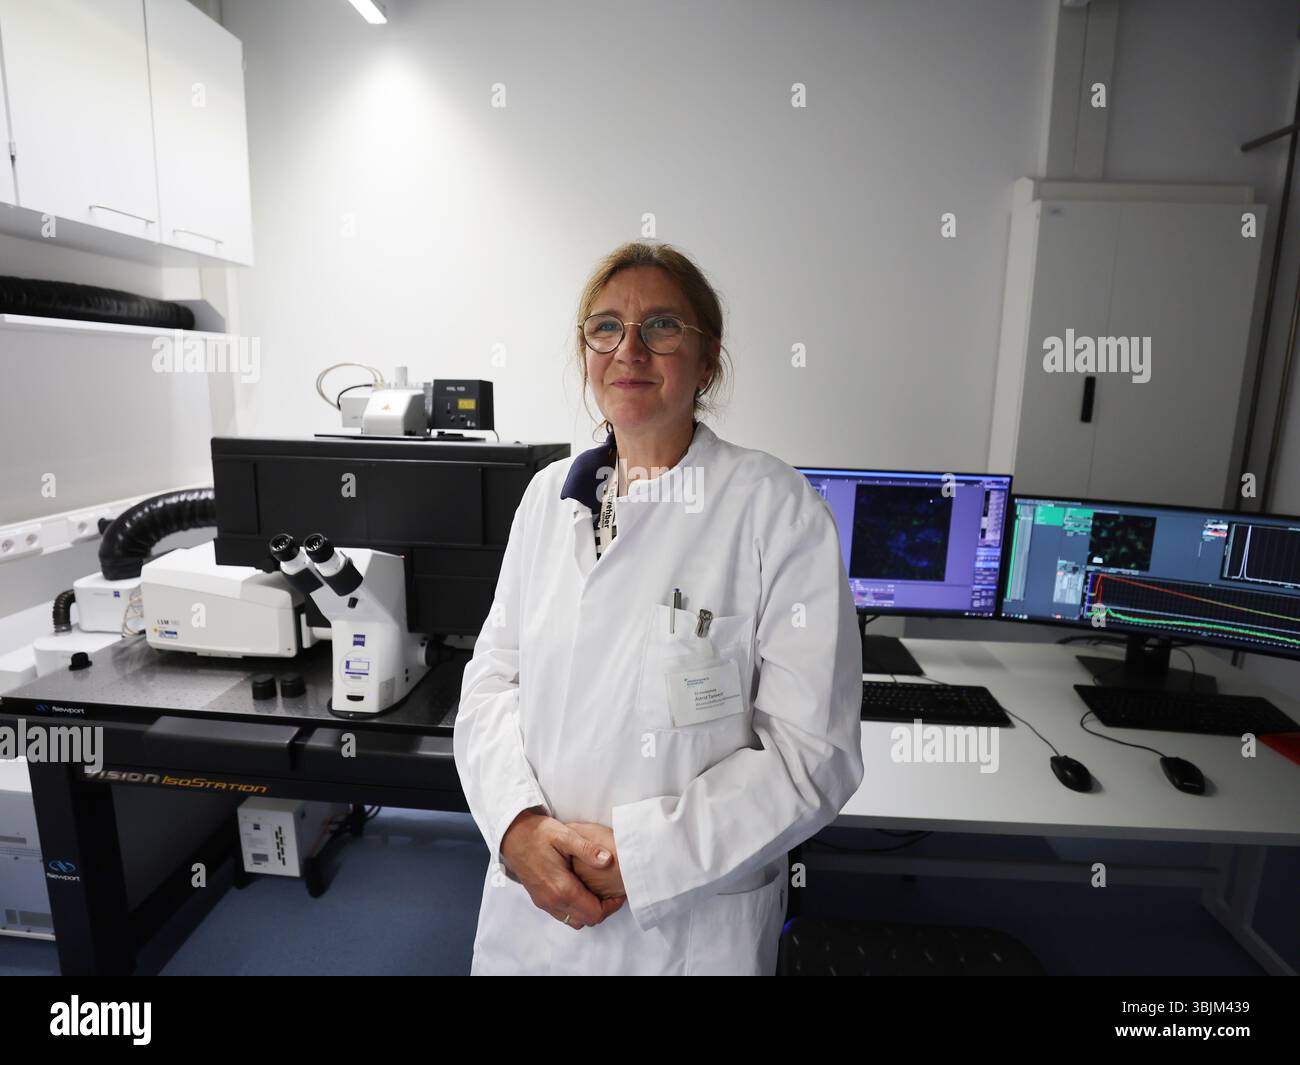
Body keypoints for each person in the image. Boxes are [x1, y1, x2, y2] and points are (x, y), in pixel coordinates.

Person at [453, 241, 863, 975]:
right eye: (605, 327)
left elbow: (813, 754)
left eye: (662, 326)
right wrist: (517, 828)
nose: (629, 349)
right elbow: (490, 684)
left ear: (707, 361)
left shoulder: (777, 511)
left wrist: (642, 859)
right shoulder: (546, 500)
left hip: (687, 925)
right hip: (536, 911)